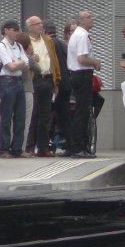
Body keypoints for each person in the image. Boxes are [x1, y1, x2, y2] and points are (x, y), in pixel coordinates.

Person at [65, 11, 102, 158]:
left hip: (79, 75)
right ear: (81, 20)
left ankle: (80, 145)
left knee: (83, 111)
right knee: (82, 112)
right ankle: (78, 147)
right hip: (81, 75)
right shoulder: (82, 36)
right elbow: (81, 58)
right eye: (89, 17)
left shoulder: (79, 35)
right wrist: (95, 62)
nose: (92, 19)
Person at [24, 16, 62, 157]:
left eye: (41, 23)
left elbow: (54, 60)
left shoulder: (48, 41)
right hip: (34, 79)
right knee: (33, 114)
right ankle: (29, 147)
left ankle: (43, 147)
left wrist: (56, 80)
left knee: (46, 115)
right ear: (30, 27)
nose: (41, 26)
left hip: (47, 79)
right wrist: (30, 58)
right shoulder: (26, 41)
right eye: (37, 24)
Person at [0, 19, 29, 158]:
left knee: (20, 116)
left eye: (18, 30)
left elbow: (27, 64)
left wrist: (17, 63)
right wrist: (19, 63)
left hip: (19, 81)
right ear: (6, 30)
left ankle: (17, 148)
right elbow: (11, 66)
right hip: (7, 81)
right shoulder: (1, 46)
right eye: (14, 30)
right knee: (6, 116)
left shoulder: (19, 46)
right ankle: (4, 148)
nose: (17, 33)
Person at [44, 20, 72, 154]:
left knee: (49, 115)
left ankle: (50, 143)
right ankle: (68, 143)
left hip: (56, 84)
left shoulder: (48, 43)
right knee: (64, 115)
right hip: (67, 82)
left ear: (45, 31)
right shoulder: (62, 43)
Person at [16, 32, 41, 155]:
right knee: (26, 120)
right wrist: (32, 56)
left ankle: (14, 146)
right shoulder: (26, 56)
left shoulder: (14, 55)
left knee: (15, 119)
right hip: (27, 89)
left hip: (16, 89)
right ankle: (22, 147)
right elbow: (38, 69)